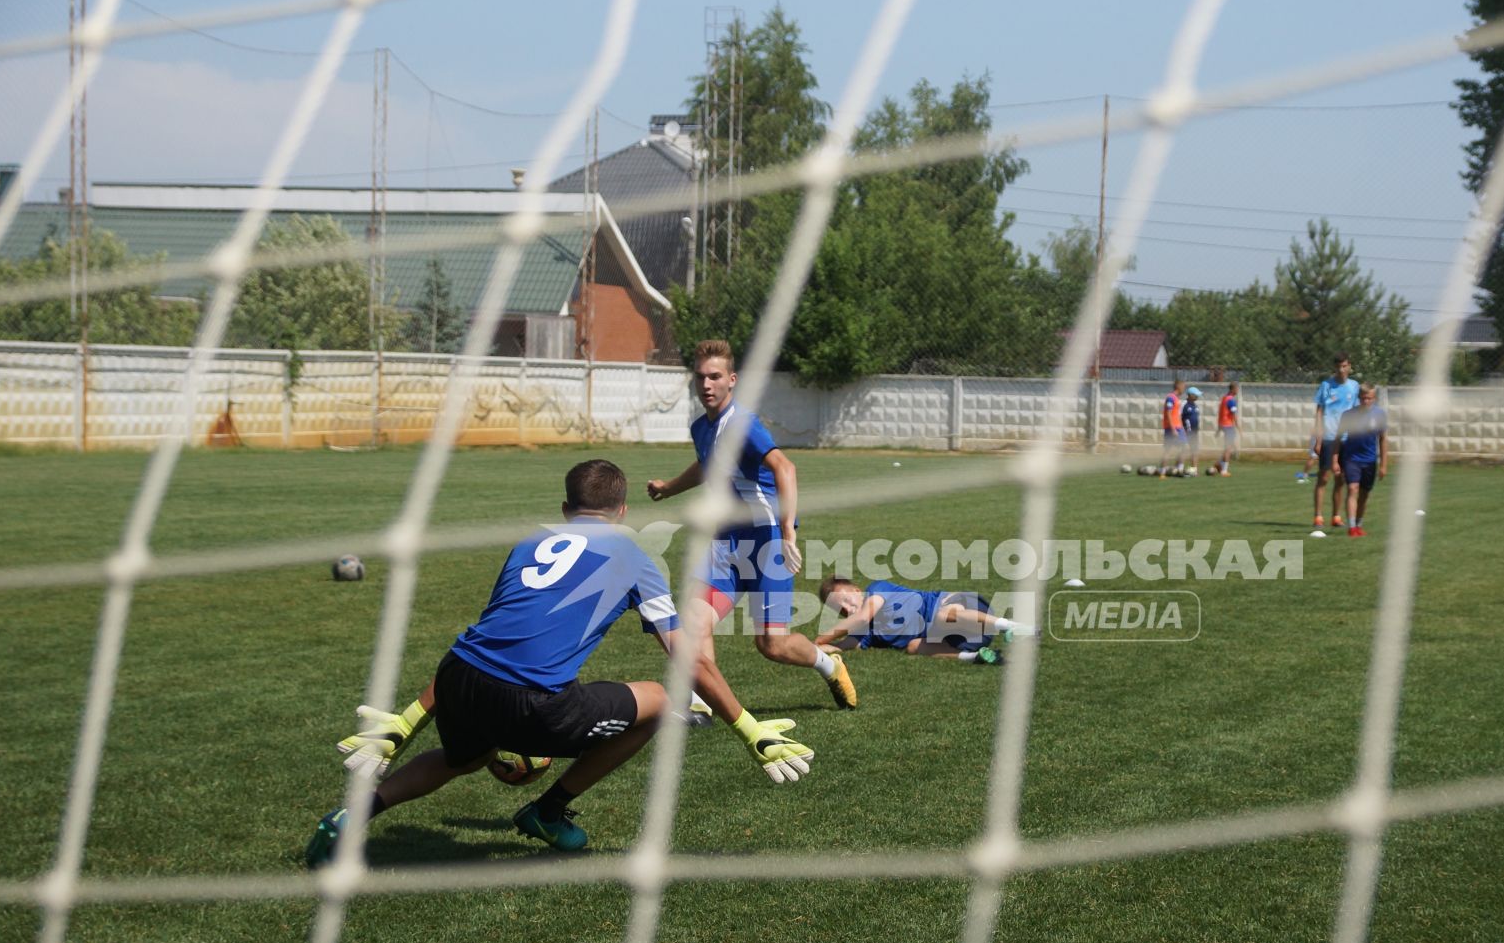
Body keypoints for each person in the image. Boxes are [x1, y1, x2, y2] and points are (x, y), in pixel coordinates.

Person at [308, 460, 815, 868]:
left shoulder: (528, 542)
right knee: (667, 702)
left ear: (565, 508)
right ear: (622, 511)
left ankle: (352, 816)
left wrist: (406, 722)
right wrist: (751, 730)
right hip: (532, 703)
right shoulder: (636, 555)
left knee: (459, 759)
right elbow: (690, 662)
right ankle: (547, 812)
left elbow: (487, 639)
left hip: (457, 678)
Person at [646, 339, 858, 710]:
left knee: (771, 645)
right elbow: (707, 464)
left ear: (732, 380)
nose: (706, 385)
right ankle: (702, 703)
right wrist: (669, 487)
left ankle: (829, 664)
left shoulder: (742, 423)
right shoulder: (701, 428)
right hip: (726, 545)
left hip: (766, 544)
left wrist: (788, 531)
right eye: (700, 378)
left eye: (715, 377)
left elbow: (785, 468)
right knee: (695, 622)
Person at [812, 576, 1033, 662]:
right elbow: (853, 643)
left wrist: (821, 639)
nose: (847, 610)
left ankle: (1011, 627)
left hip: (969, 613)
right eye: (840, 610)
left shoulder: (876, 589)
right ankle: (977, 657)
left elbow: (862, 616)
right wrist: (829, 648)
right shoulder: (867, 631)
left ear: (857, 590)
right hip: (963, 640)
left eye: (847, 601)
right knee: (913, 646)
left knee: (942, 615)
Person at [1309, 353, 1360, 533]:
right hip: (1329, 437)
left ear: (1349, 366)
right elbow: (1319, 413)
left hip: (1347, 439)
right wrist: (1318, 438)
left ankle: (1336, 516)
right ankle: (1318, 516)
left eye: (1344, 366)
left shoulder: (1354, 387)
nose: (1341, 369)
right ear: (1334, 368)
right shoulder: (1326, 386)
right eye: (1338, 366)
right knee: (1323, 477)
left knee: (1342, 479)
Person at [1337, 383, 1388, 538]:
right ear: (1359, 398)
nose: (1366, 401)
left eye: (1369, 398)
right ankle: (1352, 527)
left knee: (1364, 494)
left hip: (1370, 460)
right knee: (1352, 489)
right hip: (1351, 458)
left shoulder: (1380, 415)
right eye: (1363, 398)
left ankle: (1359, 524)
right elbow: (1338, 439)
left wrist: (1383, 465)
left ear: (1374, 398)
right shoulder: (1348, 415)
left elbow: (1383, 439)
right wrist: (1334, 460)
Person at [1158, 379, 1186, 475]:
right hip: (1173, 427)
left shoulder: (1176, 399)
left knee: (1182, 448)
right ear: (1178, 386)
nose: (1184, 389)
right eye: (1183, 387)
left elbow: (1177, 415)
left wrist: (1182, 427)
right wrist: (1173, 428)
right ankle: (1163, 472)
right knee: (1169, 450)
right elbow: (1168, 413)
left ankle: (1178, 469)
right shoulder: (1171, 398)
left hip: (1178, 427)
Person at [1215, 377, 1239, 476]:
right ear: (1233, 389)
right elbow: (1233, 414)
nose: (1237, 391)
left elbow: (1221, 413)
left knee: (1228, 447)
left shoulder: (1225, 398)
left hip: (1223, 424)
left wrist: (1219, 428)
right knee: (1229, 448)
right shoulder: (1231, 400)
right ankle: (1224, 470)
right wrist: (1238, 426)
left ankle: (1219, 464)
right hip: (1228, 425)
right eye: (1237, 389)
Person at [1181, 386, 1203, 474]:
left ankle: (1194, 469)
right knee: (1183, 449)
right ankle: (1179, 467)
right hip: (1185, 431)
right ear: (1190, 395)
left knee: (1194, 450)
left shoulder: (1195, 406)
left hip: (1194, 432)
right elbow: (1178, 416)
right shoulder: (1184, 404)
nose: (1198, 396)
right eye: (1196, 395)